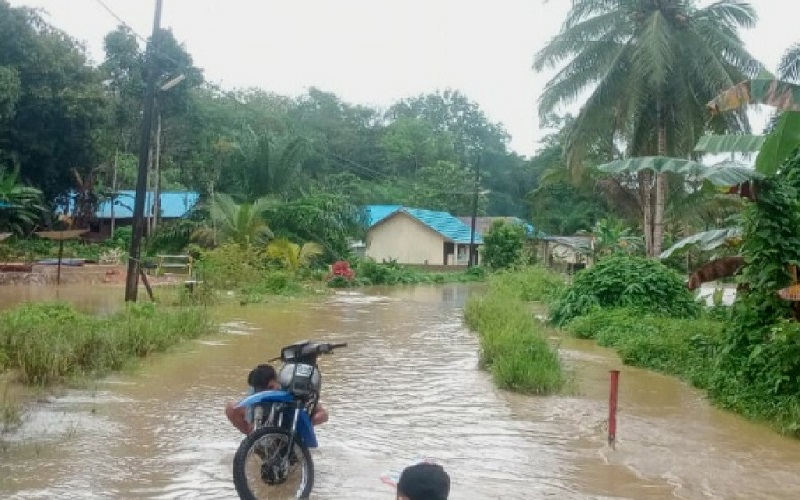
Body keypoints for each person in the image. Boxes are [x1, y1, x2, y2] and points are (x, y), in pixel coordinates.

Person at [225, 364, 328, 434]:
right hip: (264, 419)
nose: (267, 393)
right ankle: (253, 444)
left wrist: (306, 424)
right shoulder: (254, 392)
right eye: (262, 391)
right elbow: (250, 420)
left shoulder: (289, 386)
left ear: (277, 380)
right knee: (231, 409)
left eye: (270, 388)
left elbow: (323, 415)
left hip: (289, 422)